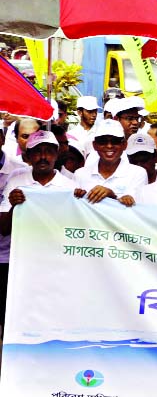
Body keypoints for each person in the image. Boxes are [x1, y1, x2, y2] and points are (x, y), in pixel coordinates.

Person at [0, 131, 75, 329]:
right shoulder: (16, 181)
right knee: (16, 318)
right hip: (20, 263)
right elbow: (4, 229)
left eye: (49, 152)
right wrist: (15, 205)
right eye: (37, 152)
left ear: (57, 154)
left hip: (55, 264)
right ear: (28, 156)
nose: (43, 157)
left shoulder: (70, 186)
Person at [73, 119, 148, 206]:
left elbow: (139, 210)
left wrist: (113, 197)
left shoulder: (138, 174)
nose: (109, 146)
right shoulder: (80, 175)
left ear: (124, 145)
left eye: (115, 141)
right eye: (103, 141)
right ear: (95, 145)